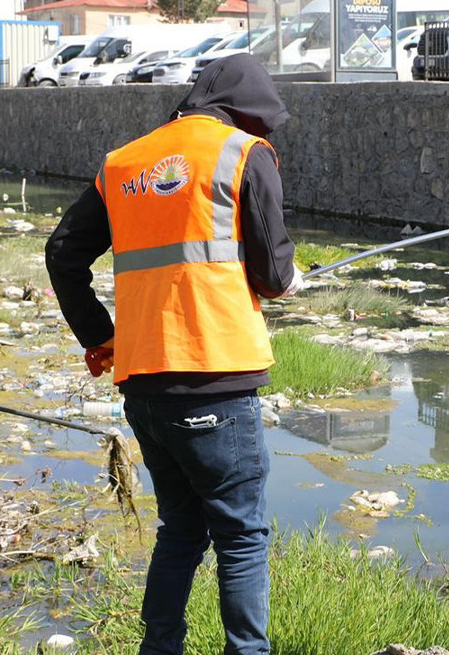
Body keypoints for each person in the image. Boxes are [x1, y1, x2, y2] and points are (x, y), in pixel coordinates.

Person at [45, 53, 300, 655]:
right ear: (250, 111)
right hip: (217, 377)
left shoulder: (123, 163)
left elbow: (62, 253)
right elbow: (273, 273)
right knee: (242, 536)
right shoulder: (243, 153)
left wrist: (100, 337)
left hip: (144, 383)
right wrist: (290, 282)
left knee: (181, 530)